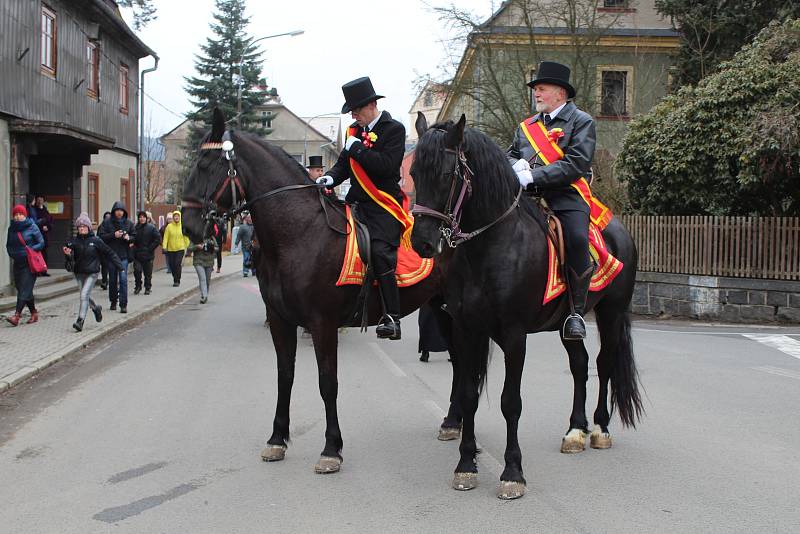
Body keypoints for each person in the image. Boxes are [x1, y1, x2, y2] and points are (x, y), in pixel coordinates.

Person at [507, 61, 596, 340]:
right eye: (536, 89)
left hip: (566, 194)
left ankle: (575, 312)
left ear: (560, 92)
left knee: (578, 239)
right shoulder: (526, 127)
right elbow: (509, 153)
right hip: (526, 196)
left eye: (541, 89)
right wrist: (515, 165)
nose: (537, 94)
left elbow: (576, 164)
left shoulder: (581, 121)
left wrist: (533, 176)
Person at [317, 76, 409, 340]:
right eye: (352, 112)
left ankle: (392, 317)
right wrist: (330, 178)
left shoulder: (394, 130)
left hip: (383, 206)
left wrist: (357, 149)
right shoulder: (353, 133)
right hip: (356, 204)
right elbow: (344, 166)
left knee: (380, 253)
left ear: (371, 105)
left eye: (356, 110)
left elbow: (386, 166)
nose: (354, 116)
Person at [63, 213, 122, 332]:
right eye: (79, 227)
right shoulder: (74, 241)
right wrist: (68, 254)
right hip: (79, 272)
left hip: (92, 272)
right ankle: (96, 309)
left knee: (83, 295)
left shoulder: (96, 241)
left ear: (89, 227)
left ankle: (80, 321)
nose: (82, 228)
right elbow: (70, 259)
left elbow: (109, 252)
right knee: (84, 296)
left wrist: (120, 266)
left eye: (84, 226)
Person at [5, 205, 44, 326]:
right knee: (22, 289)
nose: (18, 216)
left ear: (25, 215)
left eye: (20, 214)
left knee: (24, 289)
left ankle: (16, 316)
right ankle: (34, 313)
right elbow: (8, 245)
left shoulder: (32, 226)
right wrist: (12, 254)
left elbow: (41, 242)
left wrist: (31, 250)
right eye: (16, 214)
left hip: (30, 263)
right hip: (17, 262)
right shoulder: (12, 229)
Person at [98, 201, 135, 313]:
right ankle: (113, 301)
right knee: (113, 280)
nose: (119, 213)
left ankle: (123, 304)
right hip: (111, 255)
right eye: (117, 211)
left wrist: (129, 237)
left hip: (123, 255)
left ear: (124, 212)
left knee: (123, 280)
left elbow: (134, 235)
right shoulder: (107, 222)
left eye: (121, 211)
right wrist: (113, 235)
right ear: (114, 211)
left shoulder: (129, 223)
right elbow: (101, 236)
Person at [132, 210, 161, 295]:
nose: (142, 219)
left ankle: (147, 287)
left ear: (146, 218)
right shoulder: (135, 228)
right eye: (140, 217)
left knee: (148, 273)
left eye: (143, 217)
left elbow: (158, 239)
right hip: (137, 254)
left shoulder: (151, 228)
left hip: (148, 255)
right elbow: (132, 238)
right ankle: (138, 286)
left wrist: (150, 248)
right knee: (137, 271)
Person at [161, 210, 189, 286]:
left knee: (177, 264)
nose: (176, 217)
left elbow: (186, 237)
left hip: (180, 248)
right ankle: (175, 277)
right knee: (172, 265)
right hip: (171, 249)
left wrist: (187, 247)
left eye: (178, 216)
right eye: (175, 216)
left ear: (180, 217)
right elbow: (166, 237)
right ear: (173, 217)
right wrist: (164, 247)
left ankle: (177, 280)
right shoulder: (169, 227)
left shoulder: (183, 226)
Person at [187, 237, 216, 304]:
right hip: (198, 261)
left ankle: (205, 294)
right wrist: (197, 246)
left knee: (207, 280)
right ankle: (204, 296)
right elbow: (189, 248)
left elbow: (217, 248)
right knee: (202, 278)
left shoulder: (211, 237)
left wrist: (211, 247)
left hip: (209, 261)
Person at [28, 194, 54, 270]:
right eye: (38, 200)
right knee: (38, 253)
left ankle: (44, 269)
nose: (40, 201)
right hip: (37, 234)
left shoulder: (45, 210)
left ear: (43, 201)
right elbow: (35, 222)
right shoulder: (34, 210)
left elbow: (50, 220)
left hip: (45, 235)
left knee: (45, 253)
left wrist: (48, 227)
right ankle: (38, 269)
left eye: (41, 200)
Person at [235, 213, 255, 277]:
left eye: (251, 218)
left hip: (254, 246)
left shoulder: (255, 226)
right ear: (247, 219)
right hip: (245, 246)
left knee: (254, 259)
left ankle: (254, 271)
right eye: (249, 218)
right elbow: (239, 236)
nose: (250, 219)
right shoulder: (243, 227)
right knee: (246, 258)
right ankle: (245, 271)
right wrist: (236, 244)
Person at [99, 211, 112, 289]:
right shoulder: (101, 227)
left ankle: (111, 281)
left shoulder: (113, 226)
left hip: (111, 249)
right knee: (104, 266)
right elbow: (98, 237)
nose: (107, 219)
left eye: (109, 217)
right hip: (103, 249)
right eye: (106, 217)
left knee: (111, 266)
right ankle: (104, 281)